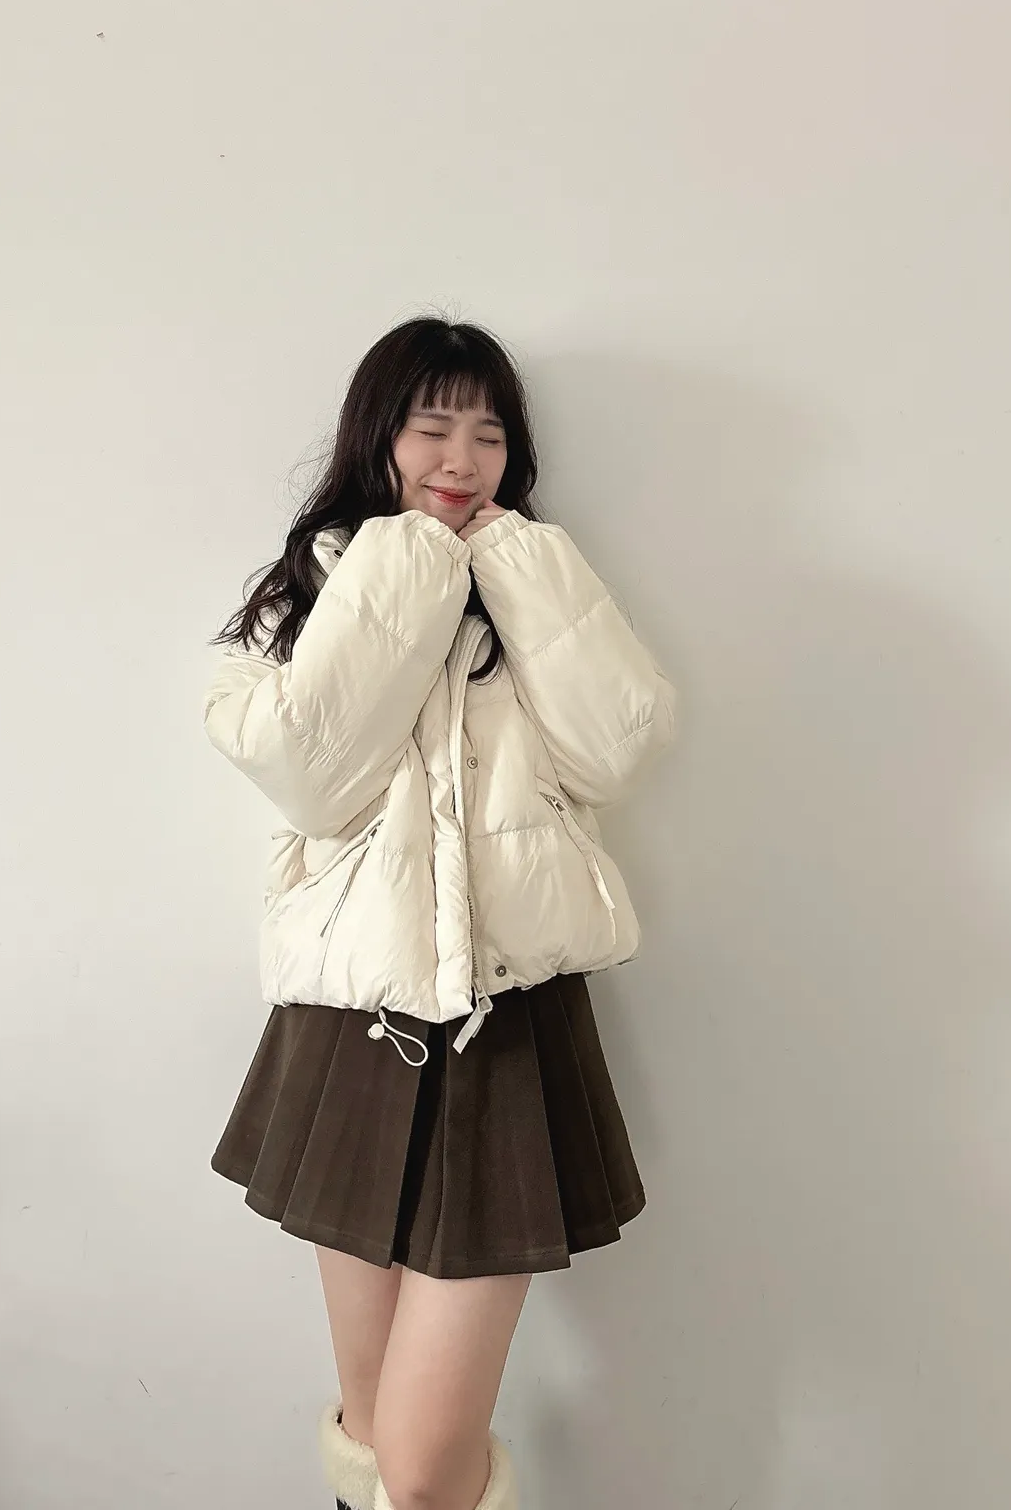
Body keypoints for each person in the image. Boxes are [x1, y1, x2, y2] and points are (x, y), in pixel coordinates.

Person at [201, 315, 676, 1510]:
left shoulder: (531, 590)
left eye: (489, 432)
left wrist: (511, 562)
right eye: (432, 426)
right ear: (379, 436)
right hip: (350, 1031)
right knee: (372, 1434)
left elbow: (619, 748)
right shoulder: (298, 606)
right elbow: (313, 775)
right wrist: (411, 559)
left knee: (418, 1471)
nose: (462, 457)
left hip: (508, 1029)